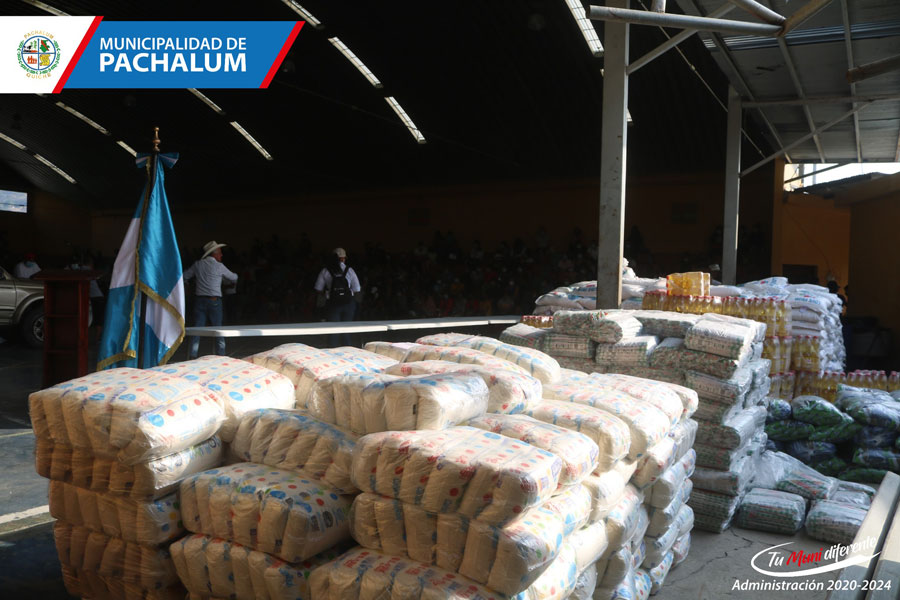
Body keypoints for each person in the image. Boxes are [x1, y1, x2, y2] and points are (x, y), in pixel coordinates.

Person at [183, 241, 238, 358]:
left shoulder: (198, 264)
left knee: (197, 329)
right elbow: (233, 277)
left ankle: (192, 355)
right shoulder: (219, 266)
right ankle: (220, 355)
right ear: (214, 254)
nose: (221, 255)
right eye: (220, 253)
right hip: (214, 301)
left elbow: (184, 276)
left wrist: (187, 284)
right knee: (218, 329)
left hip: (200, 300)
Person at [314, 247, 361, 346]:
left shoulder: (325, 271)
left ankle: (332, 351)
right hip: (348, 303)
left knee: (333, 331)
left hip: (333, 303)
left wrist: (328, 293)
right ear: (343, 258)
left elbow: (318, 288)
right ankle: (346, 351)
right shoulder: (350, 270)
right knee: (346, 331)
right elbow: (357, 289)